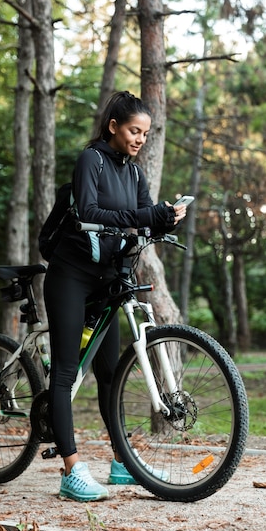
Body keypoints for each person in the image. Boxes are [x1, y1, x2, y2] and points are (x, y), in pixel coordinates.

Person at [43, 91, 187, 502]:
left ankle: (122, 463)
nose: (140, 138)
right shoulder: (93, 160)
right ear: (113, 127)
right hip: (72, 275)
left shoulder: (136, 173)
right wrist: (146, 215)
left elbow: (140, 223)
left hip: (109, 279)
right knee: (67, 371)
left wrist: (164, 219)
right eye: (133, 130)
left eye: (145, 132)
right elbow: (89, 213)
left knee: (110, 376)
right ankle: (71, 471)